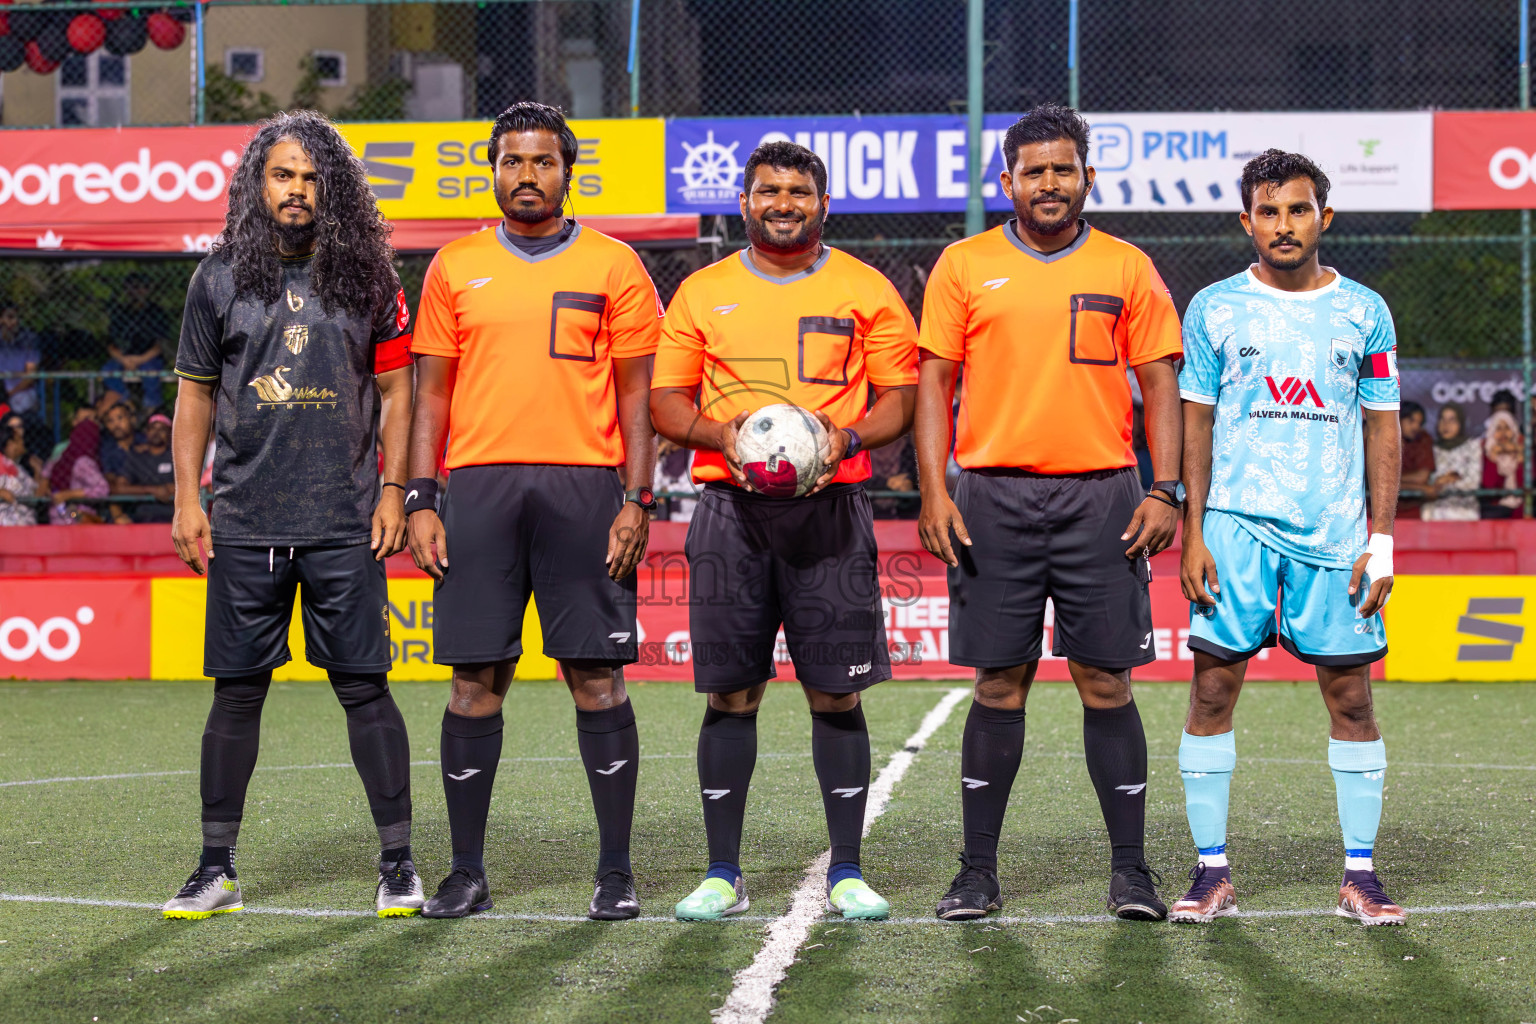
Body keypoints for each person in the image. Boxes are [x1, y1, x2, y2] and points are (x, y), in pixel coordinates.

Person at [915, 104, 1183, 922]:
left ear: (1087, 177)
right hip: (990, 496)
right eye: (1034, 171)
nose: (1050, 183)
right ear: (1008, 182)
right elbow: (933, 384)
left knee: (1106, 681)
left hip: (1102, 495)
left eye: (1064, 169)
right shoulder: (963, 265)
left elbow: (1162, 383)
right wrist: (934, 489)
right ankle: (976, 872)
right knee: (999, 683)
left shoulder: (1129, 267)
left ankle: (1132, 872)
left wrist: (1164, 487)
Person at [160, 110, 421, 921]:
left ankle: (400, 864)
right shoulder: (217, 279)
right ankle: (215, 868)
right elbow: (195, 393)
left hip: (344, 518)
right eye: (283, 175)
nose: (297, 189)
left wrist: (393, 490)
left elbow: (396, 390)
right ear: (257, 184)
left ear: (331, 187)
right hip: (244, 520)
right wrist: (186, 497)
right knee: (236, 695)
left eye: (311, 176)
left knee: (365, 689)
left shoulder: (371, 276)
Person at [404, 101, 661, 922]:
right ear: (493, 169)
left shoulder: (616, 266)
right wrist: (420, 497)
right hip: (478, 488)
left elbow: (639, 396)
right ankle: (467, 873)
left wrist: (638, 496)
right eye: (513, 161)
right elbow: (429, 397)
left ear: (566, 169)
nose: (527, 176)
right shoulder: (454, 265)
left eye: (542, 161)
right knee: (474, 682)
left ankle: (615, 872)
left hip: (585, 489)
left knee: (596, 676)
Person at [650, 140, 918, 923]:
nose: (783, 202)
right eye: (768, 189)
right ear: (745, 202)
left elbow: (899, 399)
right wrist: (720, 434)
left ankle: (847, 870)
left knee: (836, 692)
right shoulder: (702, 293)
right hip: (730, 515)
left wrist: (849, 438)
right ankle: (721, 872)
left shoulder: (868, 289)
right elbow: (666, 405)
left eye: (799, 190)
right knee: (732, 693)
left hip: (832, 514)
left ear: (823, 204)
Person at [1173, 149, 1406, 927]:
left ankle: (1361, 876)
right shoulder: (1211, 308)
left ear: (1324, 218)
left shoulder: (1365, 310)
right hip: (1234, 530)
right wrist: (1194, 531)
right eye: (1268, 212)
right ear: (1246, 221)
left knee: (1351, 697)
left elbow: (1382, 425)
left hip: (1335, 534)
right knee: (1212, 691)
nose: (1283, 224)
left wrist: (1382, 540)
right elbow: (1194, 423)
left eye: (1298, 209)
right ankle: (1211, 873)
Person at [103, 273, 173, 412]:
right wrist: (123, 359)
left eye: (141, 287)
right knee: (108, 370)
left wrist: (140, 359)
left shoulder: (156, 312)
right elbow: (110, 344)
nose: (136, 292)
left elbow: (161, 345)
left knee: (150, 372)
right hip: (124, 358)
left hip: (149, 357)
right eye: (132, 287)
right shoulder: (120, 313)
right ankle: (126, 403)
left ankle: (151, 410)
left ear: (147, 290)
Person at [1422, 403, 1479, 521]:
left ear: (1461, 423)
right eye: (1442, 419)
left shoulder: (1473, 446)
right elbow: (1427, 482)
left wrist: (1442, 482)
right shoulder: (1430, 448)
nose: (1445, 425)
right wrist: (1451, 478)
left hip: (1465, 512)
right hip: (1435, 513)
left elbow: (1473, 482)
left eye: (1452, 420)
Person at [117, 412, 176, 523]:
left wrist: (176, 489)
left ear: (169, 433)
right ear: (147, 432)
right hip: (141, 516)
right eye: (152, 428)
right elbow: (120, 487)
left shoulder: (176, 457)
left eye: (162, 429)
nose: (156, 433)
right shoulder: (136, 458)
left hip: (172, 516)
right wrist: (152, 490)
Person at [1480, 409, 1525, 519]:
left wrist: (1519, 458)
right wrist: (1494, 457)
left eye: (1507, 428)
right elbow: (1489, 486)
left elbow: (1523, 487)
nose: (1503, 433)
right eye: (1498, 428)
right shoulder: (1485, 453)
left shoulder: (1523, 450)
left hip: (1520, 512)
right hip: (1494, 512)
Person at [0, 409, 41, 526]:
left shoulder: (19, 468)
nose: (23, 442)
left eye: (21, 426)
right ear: (10, 444)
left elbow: (36, 494)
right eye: (19, 440)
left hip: (24, 526)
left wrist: (39, 472)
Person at [0, 304, 41, 415]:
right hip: (2, 389)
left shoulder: (28, 340)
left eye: (17, 318)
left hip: (20, 390)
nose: (15, 322)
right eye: (10, 317)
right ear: (1, 320)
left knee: (21, 403)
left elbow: (30, 374)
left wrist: (11, 392)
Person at [1396, 401, 1433, 519]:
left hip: (1412, 510)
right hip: (1377, 510)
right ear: (1398, 419)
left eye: (1419, 423)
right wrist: (1421, 488)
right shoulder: (1380, 438)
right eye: (1411, 421)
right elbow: (1375, 481)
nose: (1416, 427)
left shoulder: (1422, 438)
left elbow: (1422, 477)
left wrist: (1391, 480)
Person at [99, 400, 145, 480]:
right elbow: (108, 476)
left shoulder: (145, 441)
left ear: (132, 419)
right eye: (110, 421)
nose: (116, 425)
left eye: (120, 418)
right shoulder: (105, 448)